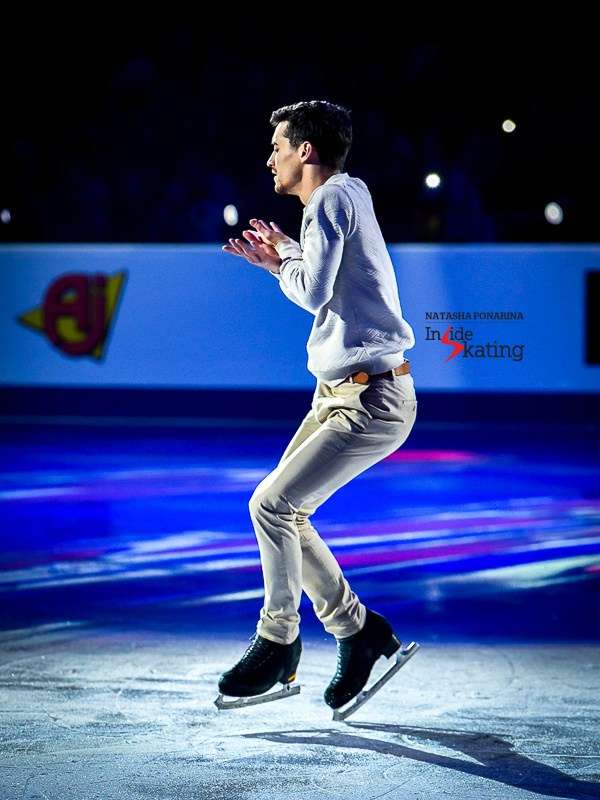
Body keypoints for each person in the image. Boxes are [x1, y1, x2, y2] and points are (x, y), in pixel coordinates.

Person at [219, 100, 417, 710]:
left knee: (271, 505)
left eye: (278, 144)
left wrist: (279, 262)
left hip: (371, 399)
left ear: (306, 150)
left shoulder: (330, 199)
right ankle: (359, 633)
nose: (270, 156)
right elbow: (321, 278)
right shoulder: (342, 196)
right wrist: (287, 254)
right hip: (342, 391)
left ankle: (278, 641)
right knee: (285, 512)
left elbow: (312, 291)